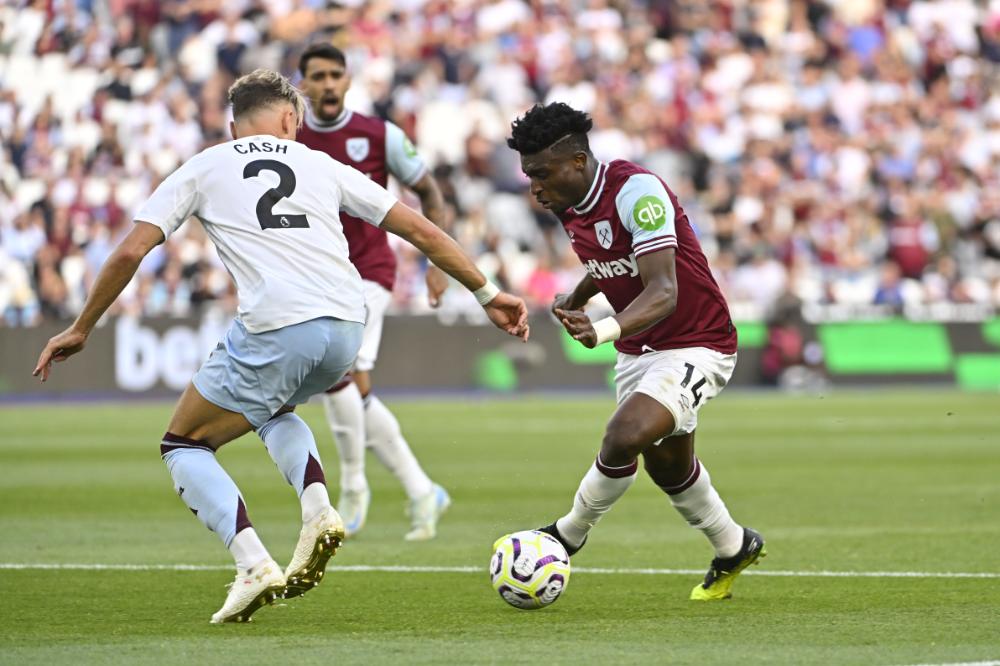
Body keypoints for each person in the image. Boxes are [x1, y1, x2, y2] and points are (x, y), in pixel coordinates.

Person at [32, 69, 529, 623]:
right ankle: (318, 507)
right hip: (346, 328)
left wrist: (81, 327)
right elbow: (423, 231)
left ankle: (251, 563)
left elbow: (130, 253)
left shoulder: (204, 164)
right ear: (292, 119)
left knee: (184, 444)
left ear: (232, 124)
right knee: (273, 409)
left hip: (278, 325)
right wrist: (487, 292)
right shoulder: (320, 162)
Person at [506, 102, 764, 601]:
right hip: (639, 348)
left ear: (577, 162)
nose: (534, 187)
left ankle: (566, 535)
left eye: (541, 174)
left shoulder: (637, 191)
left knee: (624, 434)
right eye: (528, 176)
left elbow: (663, 290)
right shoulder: (567, 202)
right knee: (668, 467)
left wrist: (600, 330)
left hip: (697, 341)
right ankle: (735, 547)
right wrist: (579, 295)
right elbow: (612, 254)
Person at [297, 43, 452, 541]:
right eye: (316, 76)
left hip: (368, 271)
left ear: (347, 81)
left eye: (334, 75)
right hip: (317, 277)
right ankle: (422, 490)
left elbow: (429, 191)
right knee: (353, 386)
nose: (326, 84)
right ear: (302, 84)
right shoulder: (290, 140)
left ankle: (355, 487)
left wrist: (435, 260)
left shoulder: (379, 135)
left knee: (339, 374)